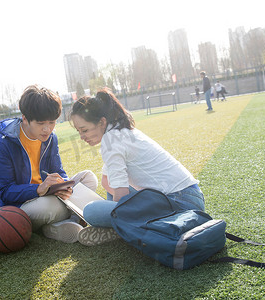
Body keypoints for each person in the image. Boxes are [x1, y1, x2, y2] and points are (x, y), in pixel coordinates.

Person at [70, 88, 205, 246]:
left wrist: (115, 213)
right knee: (109, 192)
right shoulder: (122, 131)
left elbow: (121, 195)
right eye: (78, 131)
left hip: (179, 204)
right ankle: (121, 228)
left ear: (102, 122)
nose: (81, 137)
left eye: (84, 130)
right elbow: (108, 183)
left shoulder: (110, 141)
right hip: (189, 196)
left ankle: (122, 228)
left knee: (90, 211)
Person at [0, 85, 97, 243]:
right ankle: (70, 217)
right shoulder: (3, 144)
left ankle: (64, 223)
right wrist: (38, 189)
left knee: (88, 178)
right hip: (17, 207)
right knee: (48, 207)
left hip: (49, 195)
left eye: (52, 122)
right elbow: (3, 192)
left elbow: (58, 171)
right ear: (25, 118)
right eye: (41, 123)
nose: (47, 129)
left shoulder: (51, 138)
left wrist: (63, 184)